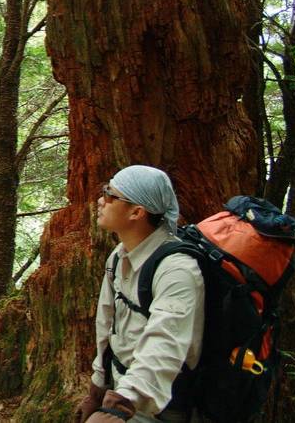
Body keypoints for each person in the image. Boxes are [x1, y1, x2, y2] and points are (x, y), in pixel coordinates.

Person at [76, 165, 205, 422]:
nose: (101, 200)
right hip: (121, 388)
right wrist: (98, 388)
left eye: (110, 195)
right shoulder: (119, 256)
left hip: (159, 406)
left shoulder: (177, 270)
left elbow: (164, 344)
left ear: (137, 212)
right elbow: (107, 324)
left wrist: (119, 406)